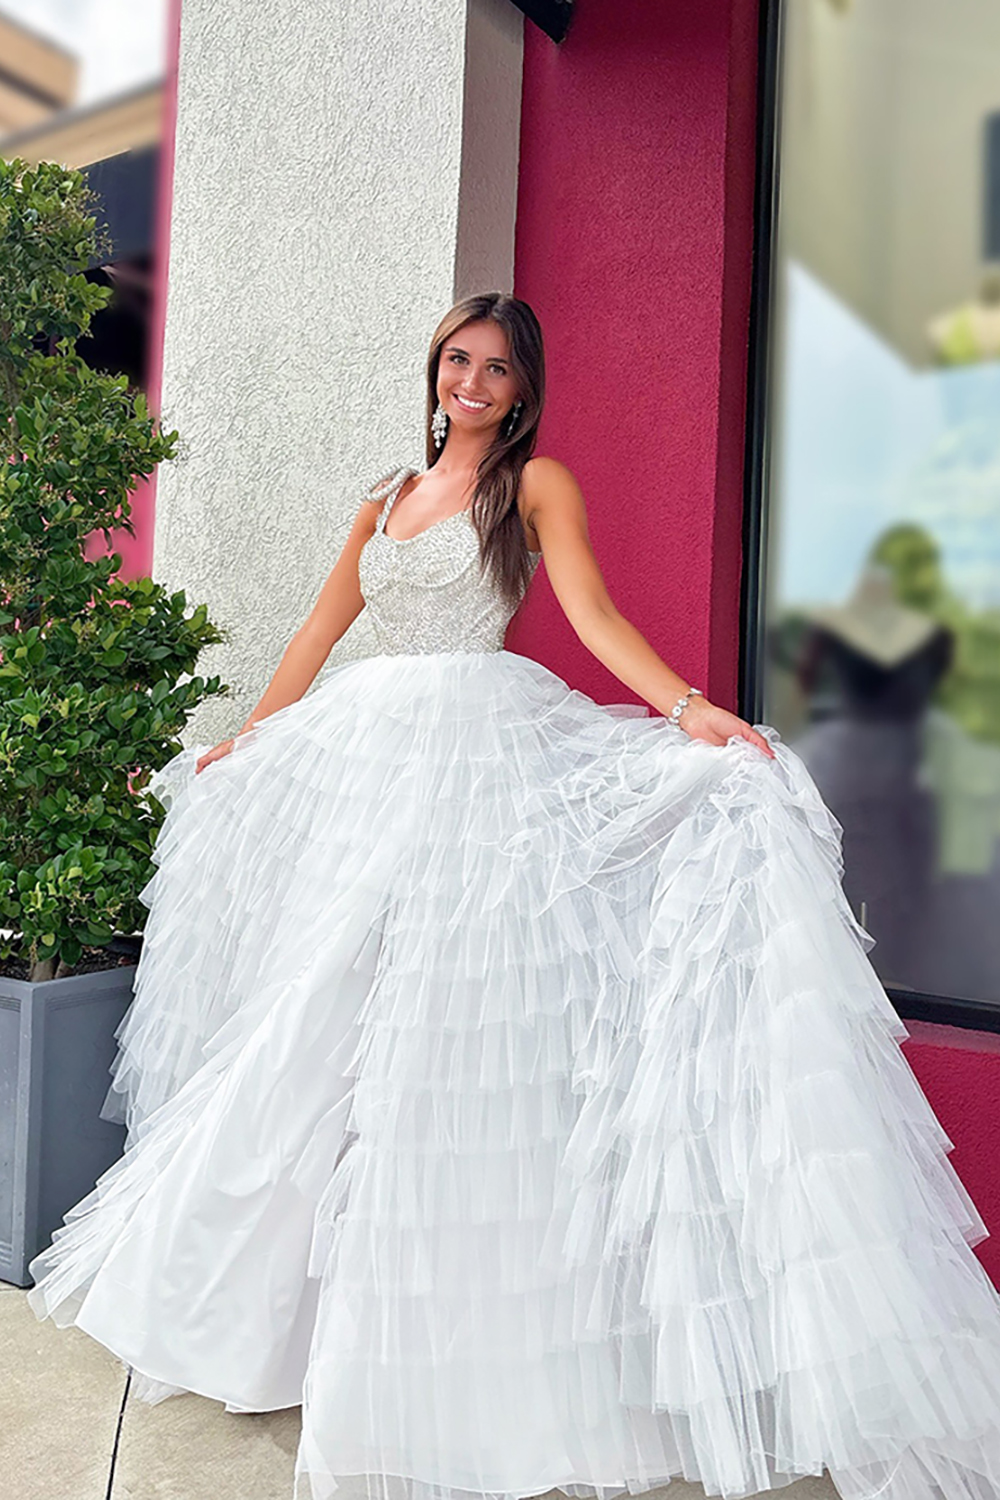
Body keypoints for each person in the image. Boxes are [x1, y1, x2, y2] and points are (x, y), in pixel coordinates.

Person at [27, 293, 1000, 1500]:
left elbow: (590, 614)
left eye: (494, 368)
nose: (472, 382)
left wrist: (687, 705)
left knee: (445, 1034)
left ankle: (448, 1360)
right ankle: (273, 1323)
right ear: (433, 371)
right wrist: (250, 735)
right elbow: (324, 628)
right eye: (456, 361)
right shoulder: (382, 498)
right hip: (364, 762)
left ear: (523, 387)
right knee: (324, 1017)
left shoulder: (534, 488)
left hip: (478, 758)